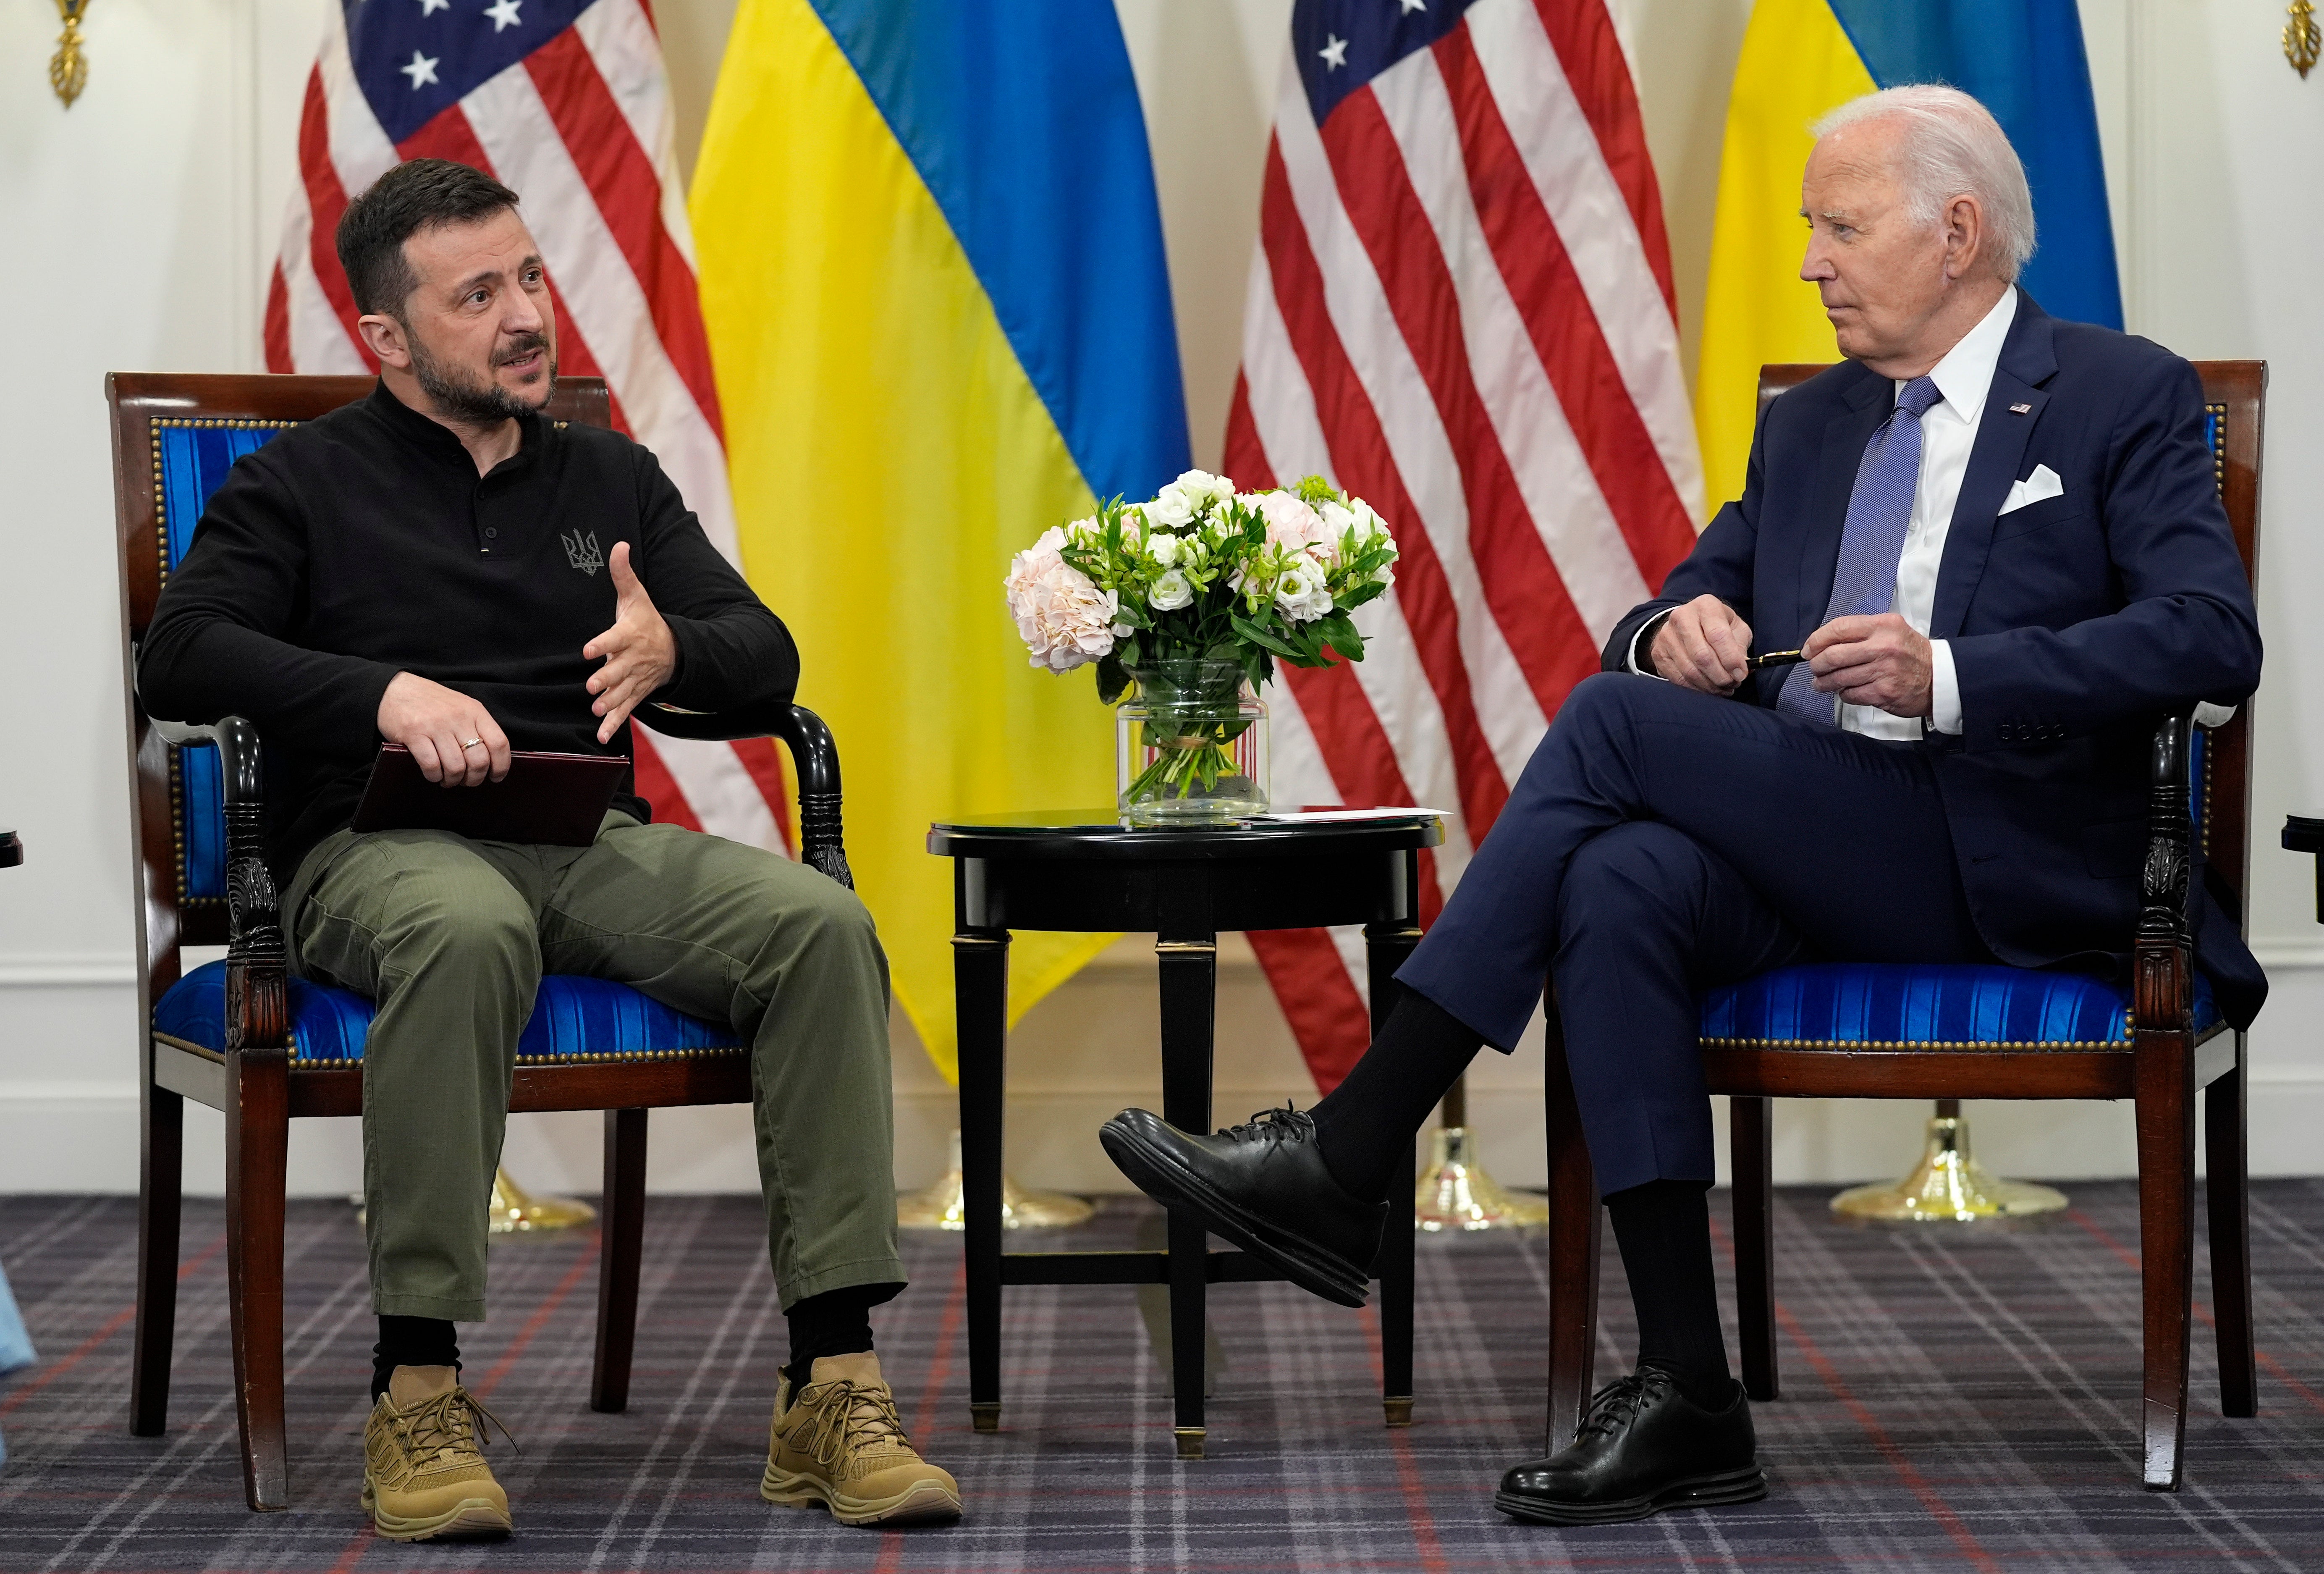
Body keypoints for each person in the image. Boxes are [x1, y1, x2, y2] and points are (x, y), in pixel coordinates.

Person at [1099, 85, 2262, 1525]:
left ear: (1957, 231)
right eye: (1809, 232)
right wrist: (1677, 634)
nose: (1811, 262)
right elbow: (1674, 601)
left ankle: (1352, 1151)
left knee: (1606, 737)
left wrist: (1952, 673)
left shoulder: (2116, 392)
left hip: (2002, 854)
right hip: (1813, 838)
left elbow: (2213, 638)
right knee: (1619, 880)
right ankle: (1691, 1390)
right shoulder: (1819, 422)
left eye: (1841, 228)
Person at [139, 159, 959, 1541]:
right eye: (479, 295)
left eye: (529, 276)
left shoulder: (612, 476)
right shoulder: (301, 484)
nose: (527, 315)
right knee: (467, 928)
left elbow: (767, 654)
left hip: (589, 842)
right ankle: (418, 1391)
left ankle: (833, 1379)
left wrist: (674, 645)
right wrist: (384, 694)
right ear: (389, 339)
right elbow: (183, 649)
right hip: (376, 848)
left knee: (822, 925)